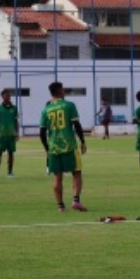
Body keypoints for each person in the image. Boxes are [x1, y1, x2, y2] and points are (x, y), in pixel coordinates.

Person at [39, 81, 87, 212]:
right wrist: (82, 141)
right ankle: (76, 201)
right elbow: (76, 125)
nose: (64, 92)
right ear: (60, 91)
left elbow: (42, 132)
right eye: (63, 90)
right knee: (76, 172)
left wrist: (47, 149)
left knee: (57, 177)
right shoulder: (69, 105)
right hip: (69, 146)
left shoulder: (46, 109)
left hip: (54, 147)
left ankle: (60, 206)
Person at [0, 89, 20, 179]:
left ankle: (10, 172)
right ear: (2, 96)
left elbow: (16, 121)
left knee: (11, 154)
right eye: (6, 95)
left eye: (9, 95)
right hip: (2, 135)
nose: (8, 97)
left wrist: (17, 133)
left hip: (11, 135)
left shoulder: (14, 108)